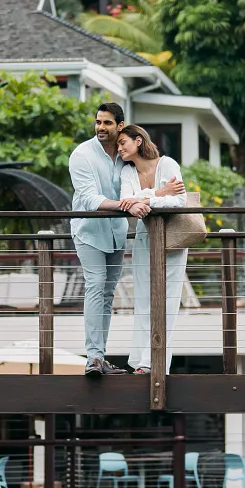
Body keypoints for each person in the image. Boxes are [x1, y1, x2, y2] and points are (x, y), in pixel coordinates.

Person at [68, 102, 140, 376]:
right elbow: (88, 199)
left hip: (117, 233)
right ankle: (94, 359)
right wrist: (127, 206)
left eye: (107, 122)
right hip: (89, 232)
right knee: (96, 286)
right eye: (98, 122)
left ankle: (100, 356)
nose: (100, 127)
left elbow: (144, 178)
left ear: (120, 125)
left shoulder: (126, 154)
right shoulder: (81, 155)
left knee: (108, 294)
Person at [116, 124, 187, 374]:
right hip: (145, 238)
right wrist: (158, 193)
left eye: (123, 142)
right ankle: (139, 360)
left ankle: (155, 363)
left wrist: (144, 198)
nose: (120, 148)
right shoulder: (127, 171)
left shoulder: (167, 165)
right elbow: (126, 201)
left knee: (167, 300)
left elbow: (179, 200)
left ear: (138, 141)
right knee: (144, 299)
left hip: (172, 239)